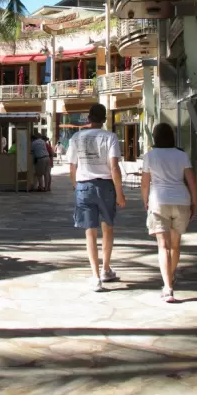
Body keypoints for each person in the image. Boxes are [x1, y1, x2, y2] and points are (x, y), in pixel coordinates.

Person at [67, 103, 126, 291]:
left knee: (89, 232)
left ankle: (95, 276)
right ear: (104, 119)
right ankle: (105, 269)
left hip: (84, 186)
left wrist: (77, 186)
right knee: (108, 228)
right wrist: (120, 192)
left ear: (88, 118)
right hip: (106, 186)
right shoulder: (110, 138)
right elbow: (114, 167)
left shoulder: (77, 137)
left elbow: (72, 166)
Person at [141, 122, 197, 303]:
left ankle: (168, 287)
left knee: (163, 246)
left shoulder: (150, 156)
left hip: (159, 201)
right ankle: (171, 277)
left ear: (155, 137)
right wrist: (194, 203)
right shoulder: (181, 155)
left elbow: (145, 183)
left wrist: (145, 201)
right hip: (181, 201)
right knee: (175, 245)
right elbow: (191, 182)